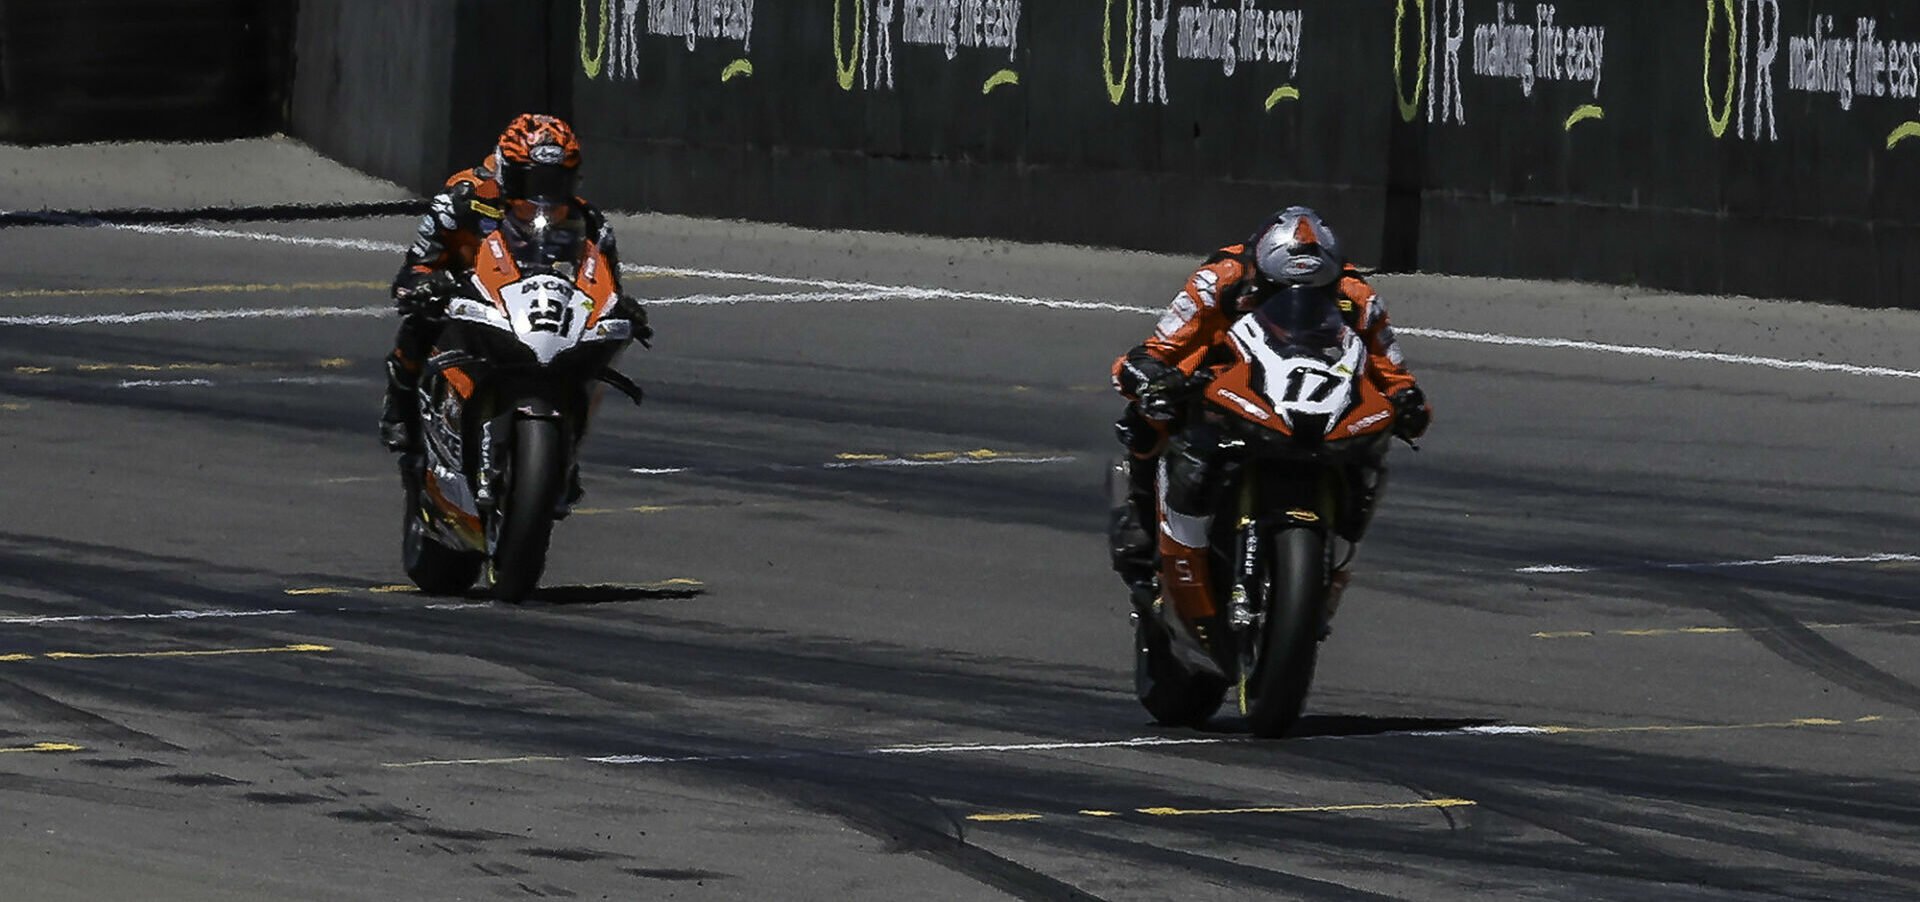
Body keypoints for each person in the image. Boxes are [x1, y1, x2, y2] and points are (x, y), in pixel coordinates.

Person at [1107, 206, 1431, 616]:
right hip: (1230, 382)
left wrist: (1408, 403)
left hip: (1313, 390)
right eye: (1278, 292)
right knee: (1150, 411)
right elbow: (1158, 350)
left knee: (1375, 440)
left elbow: (1394, 373)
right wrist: (1153, 379)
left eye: (1318, 296)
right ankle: (1141, 513)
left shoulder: (1358, 296)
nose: (1301, 303)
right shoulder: (1218, 280)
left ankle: (1339, 540)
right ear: (1260, 276)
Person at [379, 112, 651, 452]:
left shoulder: (590, 223)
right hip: (471, 300)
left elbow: (606, 288)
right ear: (506, 172)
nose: (545, 198)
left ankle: (564, 444)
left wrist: (621, 311)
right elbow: (415, 267)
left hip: (542, 315)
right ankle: (400, 408)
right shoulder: (462, 199)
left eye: (557, 184)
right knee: (421, 322)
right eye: (534, 183)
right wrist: (425, 285)